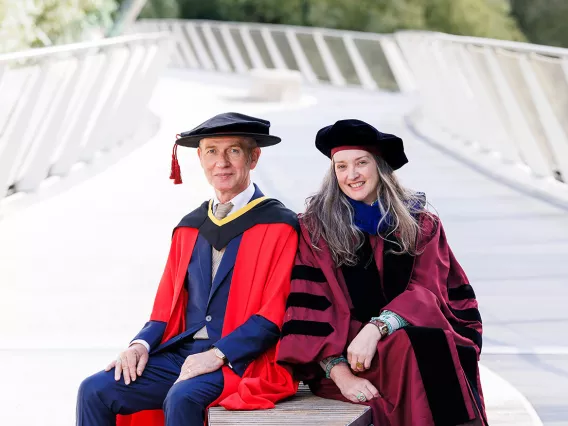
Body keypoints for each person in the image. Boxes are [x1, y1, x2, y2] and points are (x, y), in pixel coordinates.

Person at [77, 112, 299, 426]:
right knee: (94, 389)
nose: (221, 162)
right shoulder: (189, 227)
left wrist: (219, 353)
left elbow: (274, 314)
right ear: (200, 157)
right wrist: (138, 345)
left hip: (242, 359)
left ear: (254, 157)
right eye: (211, 151)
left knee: (182, 396)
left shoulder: (279, 225)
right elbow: (164, 308)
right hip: (182, 354)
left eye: (233, 151)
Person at [277, 119, 486, 426]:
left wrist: (378, 328)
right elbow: (310, 311)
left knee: (421, 346)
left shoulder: (419, 223)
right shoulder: (315, 229)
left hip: (406, 343)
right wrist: (342, 374)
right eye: (342, 166)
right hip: (349, 357)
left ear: (380, 166)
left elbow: (432, 290)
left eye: (361, 163)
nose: (352, 175)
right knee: (416, 351)